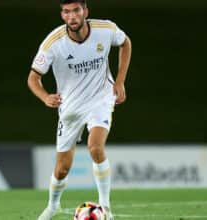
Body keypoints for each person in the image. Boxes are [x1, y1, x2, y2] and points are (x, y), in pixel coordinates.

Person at [27, 0, 131, 219]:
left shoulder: (105, 30)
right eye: (67, 12)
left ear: (85, 11)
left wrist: (120, 81)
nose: (72, 16)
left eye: (76, 10)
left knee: (95, 147)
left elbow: (125, 43)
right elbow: (33, 78)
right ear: (62, 15)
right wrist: (45, 96)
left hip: (100, 98)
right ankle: (52, 206)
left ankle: (105, 207)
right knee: (62, 168)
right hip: (71, 108)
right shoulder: (53, 43)